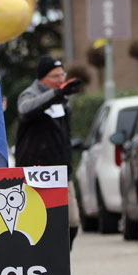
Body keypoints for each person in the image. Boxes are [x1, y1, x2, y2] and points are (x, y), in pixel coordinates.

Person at [15, 56, 83, 249]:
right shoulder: (30, 94)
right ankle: (41, 258)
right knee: (39, 222)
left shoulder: (62, 98)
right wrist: (56, 93)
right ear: (42, 78)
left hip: (61, 173)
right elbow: (25, 110)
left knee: (72, 220)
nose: (61, 80)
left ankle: (63, 255)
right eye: (55, 76)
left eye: (63, 75)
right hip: (36, 173)